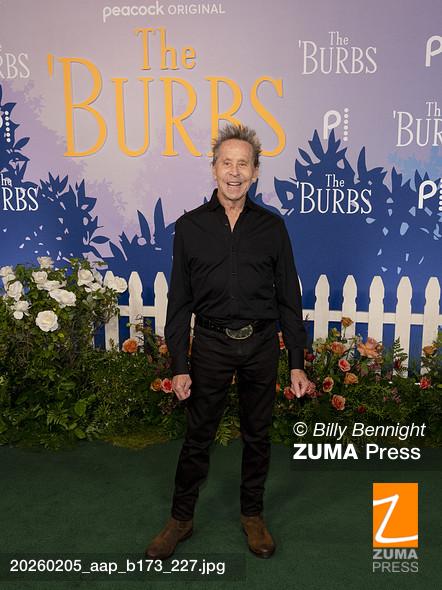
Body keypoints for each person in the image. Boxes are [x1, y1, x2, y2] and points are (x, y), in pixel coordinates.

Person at [145, 123, 308, 560]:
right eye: (226, 163)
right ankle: (180, 519)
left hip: (261, 344)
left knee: (258, 435)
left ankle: (252, 516)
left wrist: (296, 361)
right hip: (211, 345)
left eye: (243, 164)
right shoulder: (190, 227)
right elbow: (179, 302)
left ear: (255, 172)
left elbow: (289, 299)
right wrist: (180, 365)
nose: (234, 172)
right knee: (198, 436)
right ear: (214, 168)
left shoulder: (273, 228)